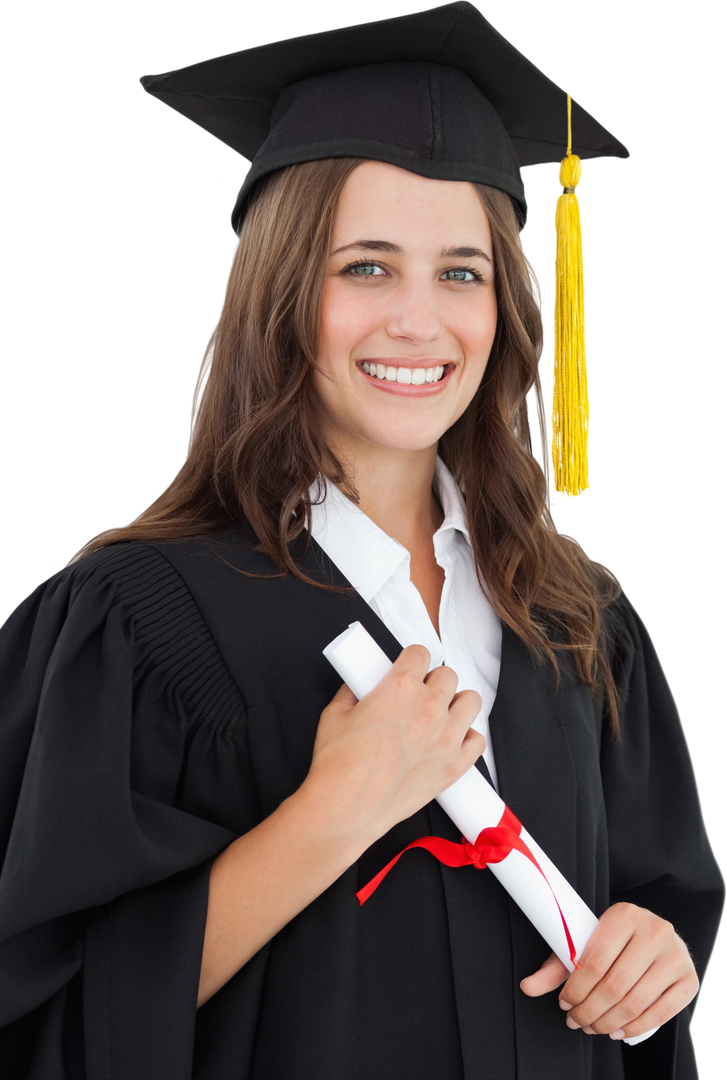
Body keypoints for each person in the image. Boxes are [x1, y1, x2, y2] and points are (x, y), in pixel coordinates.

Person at [1, 4, 723, 1078]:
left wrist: (654, 956)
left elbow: (657, 909)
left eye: (460, 272)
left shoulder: (579, 619)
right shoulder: (136, 618)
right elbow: (43, 1003)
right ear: (282, 296)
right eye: (366, 268)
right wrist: (331, 812)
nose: (419, 322)